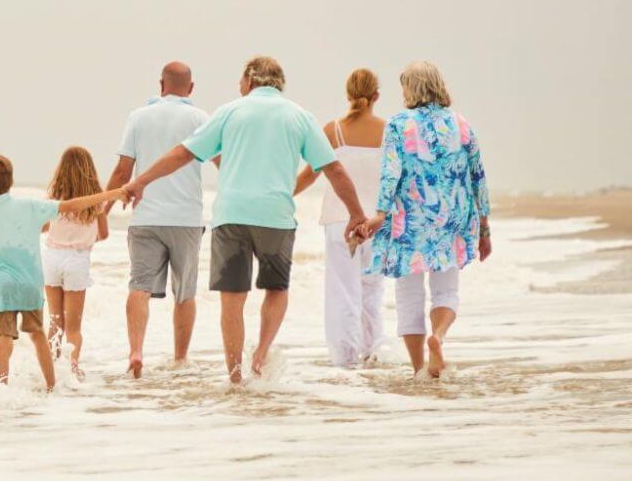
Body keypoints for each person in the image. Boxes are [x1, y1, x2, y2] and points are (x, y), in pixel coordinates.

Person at [123, 56, 368, 382]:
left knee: (232, 299)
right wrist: (356, 214)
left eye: (241, 81)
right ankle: (261, 352)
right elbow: (333, 168)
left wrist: (142, 181)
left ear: (250, 81)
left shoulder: (229, 112)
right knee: (276, 289)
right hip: (275, 217)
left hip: (232, 217)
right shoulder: (299, 116)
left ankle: (235, 375)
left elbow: (183, 153)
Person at [360, 61, 492, 379]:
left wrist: (380, 213)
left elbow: (390, 173)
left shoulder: (398, 124)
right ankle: (440, 337)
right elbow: (478, 176)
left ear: (412, 89)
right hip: (454, 218)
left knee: (409, 295)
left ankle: (420, 368)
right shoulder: (461, 124)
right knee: (446, 290)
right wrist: (484, 228)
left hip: (410, 220)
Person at [0, 154, 125, 390]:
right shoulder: (30, 206)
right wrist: (112, 194)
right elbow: (73, 205)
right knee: (38, 336)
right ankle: (52, 386)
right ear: (11, 181)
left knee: (3, 341)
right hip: (30, 283)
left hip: (2, 285)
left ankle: (0, 390)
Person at [106, 61, 210, 378]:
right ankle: (180, 359)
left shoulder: (138, 116)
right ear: (191, 88)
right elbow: (224, 162)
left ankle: (136, 352)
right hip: (186, 218)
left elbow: (123, 172)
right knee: (185, 293)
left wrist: (101, 214)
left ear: (160, 84)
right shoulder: (201, 118)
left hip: (146, 218)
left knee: (139, 286)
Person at [294, 68, 386, 368]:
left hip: (339, 221)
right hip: (377, 222)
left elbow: (308, 176)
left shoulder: (333, 131)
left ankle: (345, 361)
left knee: (342, 292)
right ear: (376, 96)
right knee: (372, 290)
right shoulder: (389, 131)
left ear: (348, 95)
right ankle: (372, 353)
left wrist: (282, 197)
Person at [42, 146, 110, 380]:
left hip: (51, 259)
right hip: (78, 260)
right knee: (74, 326)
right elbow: (104, 233)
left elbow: (43, 226)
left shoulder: (54, 197)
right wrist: (85, 237)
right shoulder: (96, 199)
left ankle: (51, 367)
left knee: (55, 320)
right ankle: (72, 368)